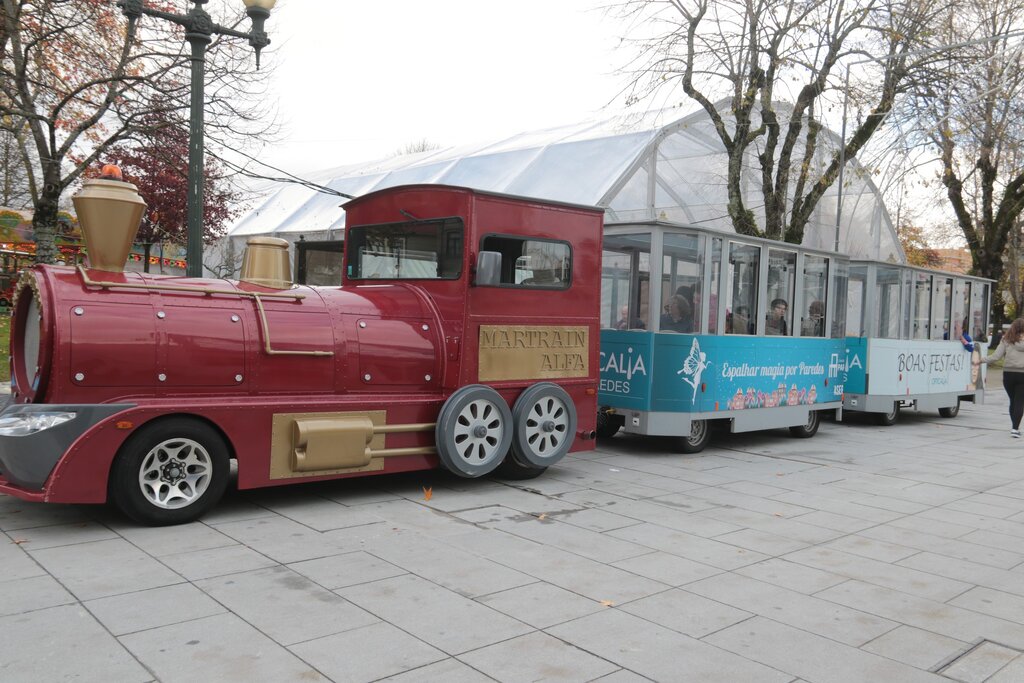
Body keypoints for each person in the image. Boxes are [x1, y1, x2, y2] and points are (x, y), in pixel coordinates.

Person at [975, 317, 1024, 437]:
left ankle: (1014, 427)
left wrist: (981, 360)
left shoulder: (1006, 340)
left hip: (1008, 374)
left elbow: (996, 356)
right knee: (1019, 401)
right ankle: (1015, 428)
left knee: (1013, 401)